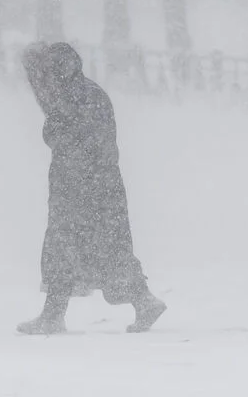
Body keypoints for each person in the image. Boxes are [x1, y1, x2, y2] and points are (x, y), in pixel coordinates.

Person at [18, 42, 167, 335]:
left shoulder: (75, 98)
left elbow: (68, 139)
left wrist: (78, 172)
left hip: (83, 188)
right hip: (94, 186)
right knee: (103, 248)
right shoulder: (84, 93)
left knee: (71, 247)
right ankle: (140, 301)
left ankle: (56, 315)